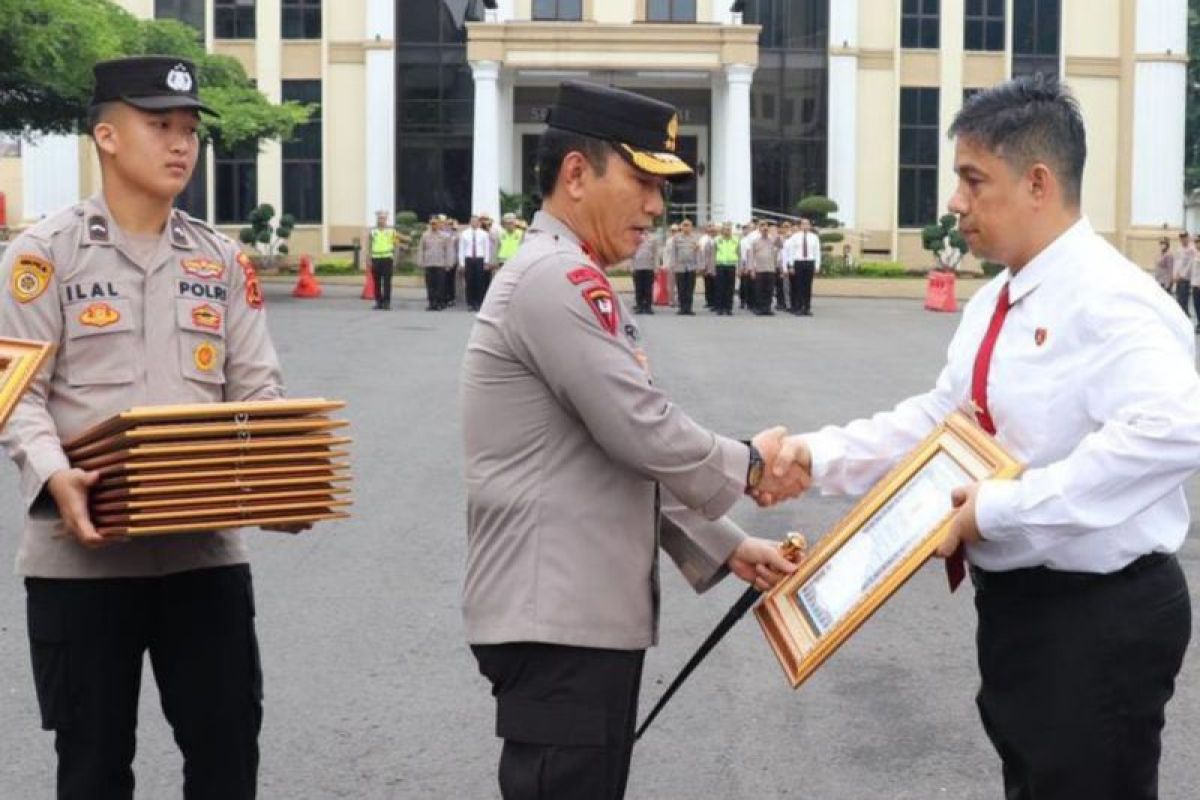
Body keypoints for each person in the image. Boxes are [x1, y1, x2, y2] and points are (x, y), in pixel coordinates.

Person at [774, 76, 1196, 800]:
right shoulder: (1000, 297)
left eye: (973, 180)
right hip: (1024, 612)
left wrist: (1002, 509)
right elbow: (944, 422)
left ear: (1037, 182)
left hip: (1097, 617)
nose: (955, 203)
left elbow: (1173, 430)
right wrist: (815, 456)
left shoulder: (1113, 298)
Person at [460, 81, 809, 800]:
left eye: (662, 186)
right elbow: (642, 429)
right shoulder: (556, 277)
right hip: (557, 624)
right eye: (643, 181)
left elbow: (614, 450)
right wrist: (749, 465)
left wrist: (729, 545)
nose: (657, 204)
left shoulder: (568, 274)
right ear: (577, 174)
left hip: (574, 617)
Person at [0, 56, 305, 799]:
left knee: (227, 756)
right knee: (95, 766)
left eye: (190, 131)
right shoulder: (43, 256)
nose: (180, 145)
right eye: (159, 125)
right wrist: (53, 476)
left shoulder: (222, 260)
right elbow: (17, 395)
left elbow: (257, 387)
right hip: (82, 565)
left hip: (204, 560)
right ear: (106, 135)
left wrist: (283, 479)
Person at [788, 218, 821, 316]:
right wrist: (791, 265)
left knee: (808, 286)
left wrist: (817, 265)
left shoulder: (814, 237)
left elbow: (817, 252)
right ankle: (799, 307)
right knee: (798, 286)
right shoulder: (795, 237)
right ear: (800, 226)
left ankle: (807, 308)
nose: (805, 226)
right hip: (798, 262)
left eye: (807, 224)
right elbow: (791, 252)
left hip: (809, 262)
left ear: (810, 226)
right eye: (803, 224)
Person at [459, 214, 491, 312]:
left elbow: (487, 248)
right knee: (469, 282)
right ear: (470, 222)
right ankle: (470, 303)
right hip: (469, 259)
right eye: (472, 221)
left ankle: (478, 303)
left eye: (476, 221)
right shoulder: (464, 233)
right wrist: (462, 263)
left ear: (479, 223)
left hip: (479, 259)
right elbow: (461, 249)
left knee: (479, 282)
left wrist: (486, 262)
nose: (474, 223)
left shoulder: (484, 234)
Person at [670, 218, 701, 315]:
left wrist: (698, 266)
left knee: (690, 288)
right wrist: (673, 265)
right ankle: (682, 308)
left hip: (691, 267)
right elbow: (673, 253)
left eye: (688, 225)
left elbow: (698, 253)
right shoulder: (676, 238)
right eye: (684, 225)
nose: (686, 227)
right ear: (681, 227)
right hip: (680, 267)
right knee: (681, 288)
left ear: (691, 227)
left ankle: (689, 308)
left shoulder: (695, 238)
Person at [368, 209, 397, 310]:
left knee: (387, 282)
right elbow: (369, 246)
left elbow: (396, 245)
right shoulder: (373, 232)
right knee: (377, 282)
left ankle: (387, 302)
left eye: (383, 219)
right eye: (380, 219)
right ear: (377, 220)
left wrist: (395, 259)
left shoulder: (391, 232)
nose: (381, 221)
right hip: (376, 259)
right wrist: (368, 259)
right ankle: (378, 302)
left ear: (386, 220)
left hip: (387, 259)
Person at [417, 217, 447, 311]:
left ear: (438, 224)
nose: (433, 225)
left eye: (435, 223)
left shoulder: (444, 236)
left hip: (440, 263)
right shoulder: (425, 235)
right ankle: (431, 303)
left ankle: (438, 303)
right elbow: (421, 249)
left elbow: (448, 251)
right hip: (429, 263)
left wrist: (448, 263)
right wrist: (420, 261)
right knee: (430, 285)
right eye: (432, 224)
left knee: (440, 285)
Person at [748, 220, 777, 316]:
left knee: (769, 290)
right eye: (762, 226)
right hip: (759, 269)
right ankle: (760, 308)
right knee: (759, 289)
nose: (764, 228)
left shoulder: (772, 239)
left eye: (766, 226)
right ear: (759, 228)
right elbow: (751, 256)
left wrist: (775, 234)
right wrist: (751, 269)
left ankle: (767, 308)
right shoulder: (755, 241)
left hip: (770, 268)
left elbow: (781, 245)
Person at [713, 222, 740, 316]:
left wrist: (739, 268)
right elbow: (713, 253)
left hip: (731, 266)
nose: (727, 231)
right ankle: (720, 308)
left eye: (729, 229)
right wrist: (713, 267)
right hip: (720, 265)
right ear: (722, 230)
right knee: (720, 287)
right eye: (725, 229)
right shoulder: (717, 240)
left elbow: (739, 254)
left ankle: (728, 308)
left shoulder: (736, 240)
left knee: (730, 288)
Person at [631, 227, 658, 314]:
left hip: (649, 266)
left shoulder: (653, 239)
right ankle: (639, 306)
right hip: (637, 266)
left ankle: (648, 306)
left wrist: (656, 267)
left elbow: (655, 254)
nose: (644, 230)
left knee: (648, 288)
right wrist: (631, 267)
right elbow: (631, 253)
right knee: (639, 288)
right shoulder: (635, 238)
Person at [1170, 231, 1193, 315]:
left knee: (1183, 301)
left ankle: (1185, 318)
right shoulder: (1179, 249)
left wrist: (1182, 276)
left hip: (1185, 279)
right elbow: (1176, 263)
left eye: (1184, 237)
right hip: (1177, 278)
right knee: (1179, 300)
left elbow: (1190, 265)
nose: (1183, 239)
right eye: (1181, 238)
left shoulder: (1191, 249)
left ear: (1188, 237)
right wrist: (1174, 275)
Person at [699, 222, 717, 310]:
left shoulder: (717, 240)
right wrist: (702, 266)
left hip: (715, 266)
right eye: (709, 228)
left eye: (713, 229)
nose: (711, 231)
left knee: (715, 285)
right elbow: (701, 253)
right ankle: (709, 301)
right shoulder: (703, 239)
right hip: (706, 265)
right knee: (707, 284)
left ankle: (715, 302)